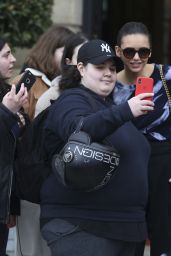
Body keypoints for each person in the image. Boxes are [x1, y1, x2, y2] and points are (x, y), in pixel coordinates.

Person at [40, 39, 154, 256]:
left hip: (127, 227)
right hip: (84, 224)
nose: (108, 73)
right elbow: (78, 130)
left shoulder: (112, 107)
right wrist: (126, 110)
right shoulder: (72, 100)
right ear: (81, 68)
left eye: (112, 68)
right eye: (100, 67)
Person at [12, 25, 74, 256]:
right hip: (31, 179)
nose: (70, 59)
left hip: (54, 181)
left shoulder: (63, 84)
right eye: (65, 52)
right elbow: (18, 129)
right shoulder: (28, 81)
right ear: (51, 50)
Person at [113, 21, 171, 256]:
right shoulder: (110, 84)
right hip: (125, 168)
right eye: (129, 52)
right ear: (118, 52)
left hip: (164, 164)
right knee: (129, 237)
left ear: (151, 51)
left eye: (143, 51)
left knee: (165, 233)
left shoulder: (166, 77)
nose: (136, 57)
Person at [0, 37, 28, 256]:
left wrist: (11, 205)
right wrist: (6, 112)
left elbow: (12, 154)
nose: (13, 59)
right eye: (6, 55)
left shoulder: (5, 93)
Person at [34, 32, 88, 117]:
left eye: (90, 57)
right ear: (68, 62)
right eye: (80, 58)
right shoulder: (51, 97)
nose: (86, 63)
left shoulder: (103, 89)